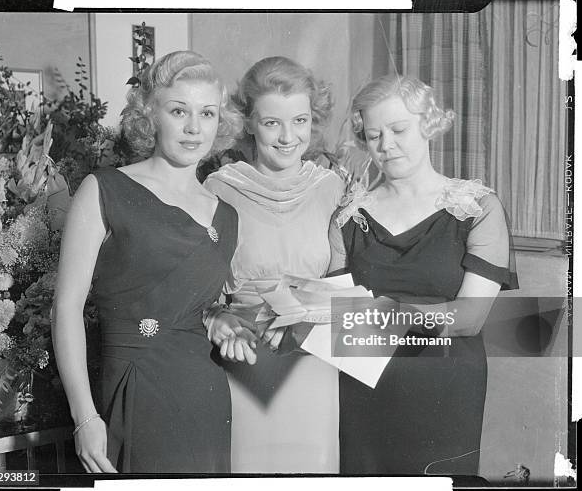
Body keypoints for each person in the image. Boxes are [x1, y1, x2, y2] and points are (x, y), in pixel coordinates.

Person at [52, 51, 242, 473]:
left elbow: (200, 306)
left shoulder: (226, 214)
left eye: (207, 113)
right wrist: (85, 416)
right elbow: (65, 308)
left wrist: (223, 321)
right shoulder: (103, 189)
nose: (195, 127)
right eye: (179, 111)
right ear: (149, 115)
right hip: (136, 390)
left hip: (206, 394)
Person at [330, 75, 518, 475]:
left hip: (444, 386)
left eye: (399, 130)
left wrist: (376, 314)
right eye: (375, 134)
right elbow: (334, 315)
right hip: (365, 386)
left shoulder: (476, 207)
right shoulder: (349, 215)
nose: (386, 145)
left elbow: (469, 319)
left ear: (428, 125)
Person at [203, 56, 345, 473]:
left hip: (315, 361)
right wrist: (220, 321)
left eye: (299, 121)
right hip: (247, 358)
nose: (288, 137)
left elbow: (342, 279)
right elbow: (204, 293)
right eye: (272, 123)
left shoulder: (331, 187)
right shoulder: (219, 189)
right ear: (248, 122)